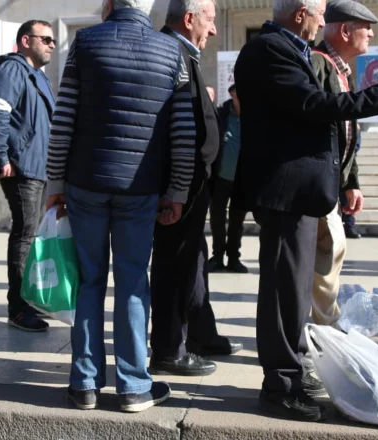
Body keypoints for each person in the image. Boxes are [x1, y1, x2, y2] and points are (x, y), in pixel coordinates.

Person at [234, 0, 378, 422]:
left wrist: (345, 180)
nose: (325, 22)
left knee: (297, 291)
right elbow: (315, 107)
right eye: (321, 14)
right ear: (300, 13)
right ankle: (280, 386)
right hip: (285, 192)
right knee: (285, 290)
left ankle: (292, 372)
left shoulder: (291, 49)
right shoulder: (268, 50)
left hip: (302, 192)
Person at [46, 0, 192, 412]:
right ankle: (133, 388)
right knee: (132, 282)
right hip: (141, 187)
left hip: (86, 181)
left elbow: (65, 117)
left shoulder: (85, 42)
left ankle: (85, 385)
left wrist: (55, 180)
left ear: (111, 4)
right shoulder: (171, 51)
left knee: (89, 280)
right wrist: (177, 191)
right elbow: (183, 130)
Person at [149, 0, 243, 379]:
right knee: (175, 266)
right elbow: (175, 128)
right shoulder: (171, 53)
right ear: (189, 19)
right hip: (179, 186)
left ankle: (202, 334)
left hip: (190, 183)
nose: (215, 30)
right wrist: (176, 189)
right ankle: (170, 348)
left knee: (195, 263)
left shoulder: (183, 52)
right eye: (209, 19)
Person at [309, 0, 378, 328]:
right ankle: (323, 326)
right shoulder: (318, 63)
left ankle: (323, 323)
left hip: (334, 180)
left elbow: (348, 133)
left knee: (332, 251)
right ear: (344, 30)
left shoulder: (341, 70)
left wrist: (351, 181)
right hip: (317, 181)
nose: (371, 34)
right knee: (328, 251)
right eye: (365, 27)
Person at [0, 20, 56, 332]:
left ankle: (30, 301)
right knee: (25, 234)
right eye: (46, 39)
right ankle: (19, 308)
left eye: (53, 40)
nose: (52, 45)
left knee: (33, 235)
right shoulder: (13, 69)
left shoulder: (37, 75)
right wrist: (1, 156)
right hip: (22, 167)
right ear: (26, 40)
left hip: (39, 168)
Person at [207, 84, 249, 274]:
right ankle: (217, 257)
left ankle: (234, 258)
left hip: (241, 179)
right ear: (232, 94)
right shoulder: (220, 114)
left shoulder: (253, 117)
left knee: (237, 221)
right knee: (217, 219)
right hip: (220, 177)